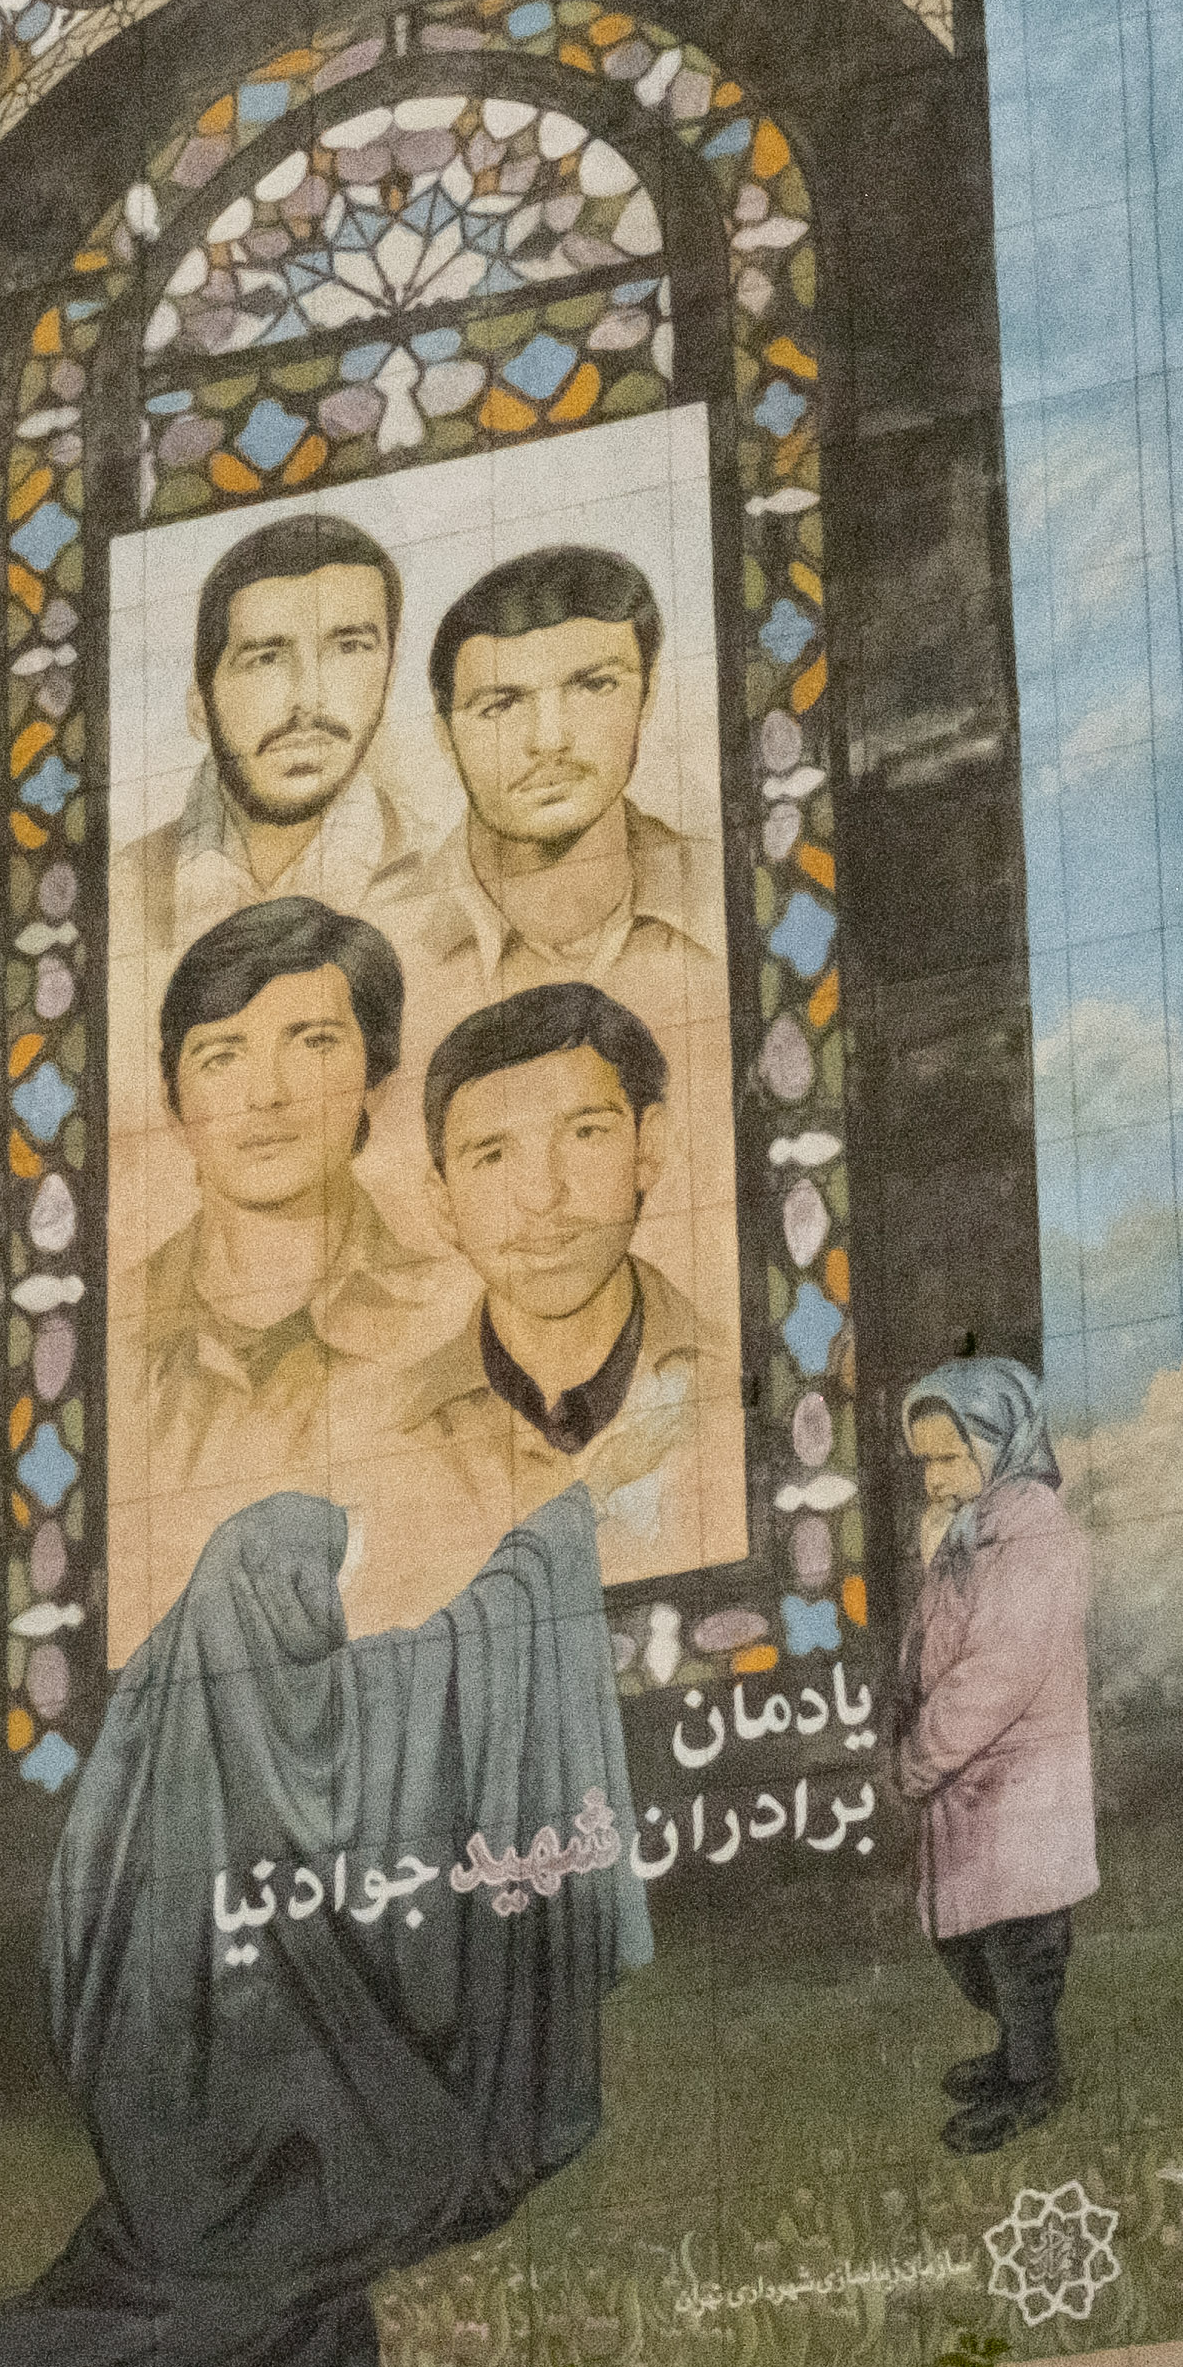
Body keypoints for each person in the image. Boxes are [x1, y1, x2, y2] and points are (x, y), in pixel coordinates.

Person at [0, 1482, 643, 2367]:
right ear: (269, 1589)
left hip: (172, 2142)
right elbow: (442, 1680)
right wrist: (547, 1554)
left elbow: (76, 1949)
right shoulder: (254, 1712)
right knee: (415, 2164)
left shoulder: (163, 1709)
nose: (329, 1607)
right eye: (313, 1581)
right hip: (233, 2108)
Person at [108, 897, 454, 1639]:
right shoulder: (108, 1335)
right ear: (173, 1105)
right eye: (222, 1056)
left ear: (378, 1081)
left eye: (314, 1043)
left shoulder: (455, 1313)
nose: (266, 1094)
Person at [345, 984, 734, 1621]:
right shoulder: (388, 1442)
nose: (541, 1195)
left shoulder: (734, 1379)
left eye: (584, 1133)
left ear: (648, 1148)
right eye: (492, 1155)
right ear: (443, 1203)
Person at [888, 1356, 1098, 2155]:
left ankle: (1033, 2081)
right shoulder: (973, 1528)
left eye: (950, 1457)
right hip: (974, 1788)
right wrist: (934, 1562)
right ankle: (1015, 2053)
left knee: (1021, 1948)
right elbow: (934, 1643)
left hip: (1019, 1792)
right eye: (926, 1461)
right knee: (972, 1941)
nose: (935, 1477)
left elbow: (996, 1673)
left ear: (1003, 1441)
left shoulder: (1035, 1538)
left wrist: (921, 1755)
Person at [130, 513, 431, 1026]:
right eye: (266, 658)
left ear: (390, 672)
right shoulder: (126, 888)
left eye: (349, 648)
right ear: (199, 703)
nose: (309, 701)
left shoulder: (439, 869)